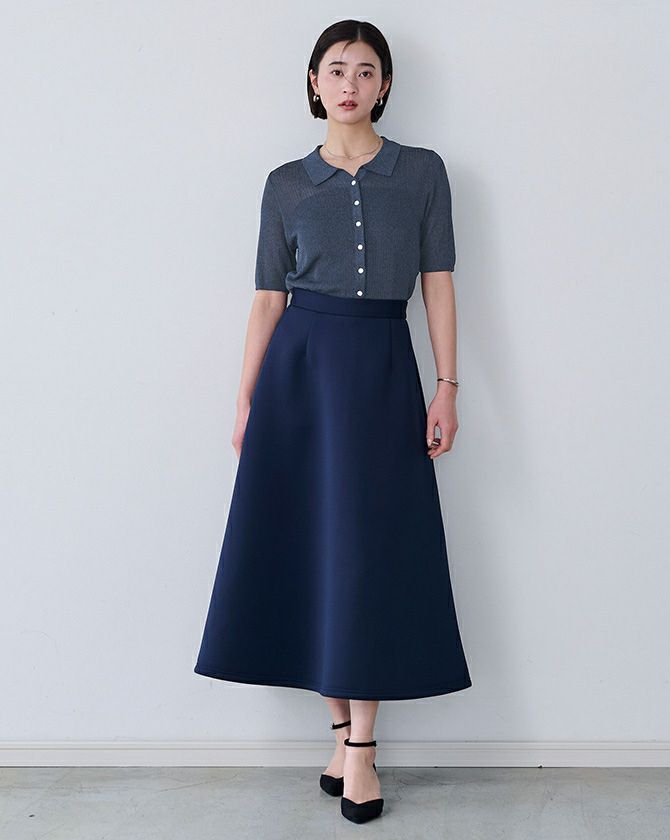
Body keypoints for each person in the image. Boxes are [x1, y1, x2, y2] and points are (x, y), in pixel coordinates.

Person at [193, 19, 473, 824]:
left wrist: (447, 386)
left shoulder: (422, 173)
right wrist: (245, 400)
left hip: (382, 370)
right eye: (336, 69)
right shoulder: (286, 183)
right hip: (299, 378)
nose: (350, 83)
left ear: (385, 85)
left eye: (366, 70)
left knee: (368, 555)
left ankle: (362, 751)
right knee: (316, 550)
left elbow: (438, 283)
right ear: (314, 82)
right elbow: (266, 300)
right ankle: (345, 739)